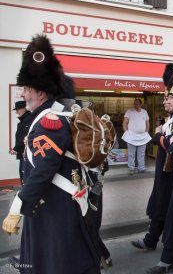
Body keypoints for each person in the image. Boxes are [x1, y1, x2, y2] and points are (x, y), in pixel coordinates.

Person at [2, 34, 100, 274]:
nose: (23, 95)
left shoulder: (49, 121)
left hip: (53, 207)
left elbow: (44, 169)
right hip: (55, 203)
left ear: (41, 93)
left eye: (27, 89)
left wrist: (17, 206)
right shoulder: (51, 115)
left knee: (56, 263)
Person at [146, 61, 173, 274]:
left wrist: (163, 138)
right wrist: (163, 138)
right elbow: (157, 137)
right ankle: (166, 255)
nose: (167, 100)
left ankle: (169, 258)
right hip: (169, 176)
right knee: (166, 212)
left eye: (171, 97)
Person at [130, 63, 173, 251]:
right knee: (159, 207)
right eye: (165, 97)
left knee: (168, 210)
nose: (165, 101)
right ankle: (151, 240)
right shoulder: (171, 119)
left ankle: (168, 251)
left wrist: (158, 137)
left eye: (169, 97)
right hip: (163, 172)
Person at [122, 98, 151, 175]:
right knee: (131, 154)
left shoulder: (144, 112)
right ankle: (131, 168)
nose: (135, 105)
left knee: (141, 154)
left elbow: (147, 122)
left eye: (137, 104)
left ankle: (141, 168)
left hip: (142, 137)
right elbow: (124, 123)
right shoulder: (129, 112)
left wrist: (147, 131)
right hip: (131, 136)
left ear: (140, 104)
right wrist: (126, 132)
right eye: (134, 103)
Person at [9, 100, 33, 184]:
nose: (16, 112)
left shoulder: (28, 119)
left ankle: (26, 194)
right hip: (23, 152)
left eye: (17, 110)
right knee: (23, 173)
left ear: (23, 109)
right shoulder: (24, 120)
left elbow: (25, 136)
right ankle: (24, 192)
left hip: (26, 153)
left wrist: (16, 148)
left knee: (25, 174)